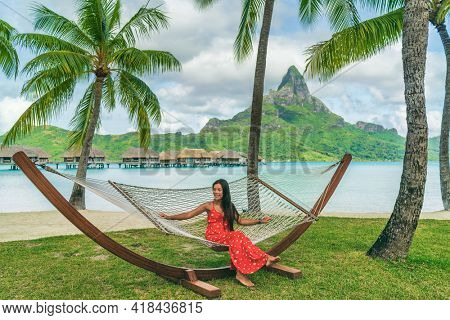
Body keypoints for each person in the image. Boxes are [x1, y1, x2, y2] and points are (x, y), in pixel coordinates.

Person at [160, 179, 280, 287]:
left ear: (225, 191)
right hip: (213, 237)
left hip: (227, 237)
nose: (216, 192)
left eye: (219, 190)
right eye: (214, 189)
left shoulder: (229, 206)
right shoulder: (208, 205)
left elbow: (241, 221)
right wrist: (170, 217)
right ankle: (261, 260)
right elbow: (188, 214)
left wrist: (259, 221)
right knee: (237, 235)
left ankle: (244, 271)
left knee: (238, 236)